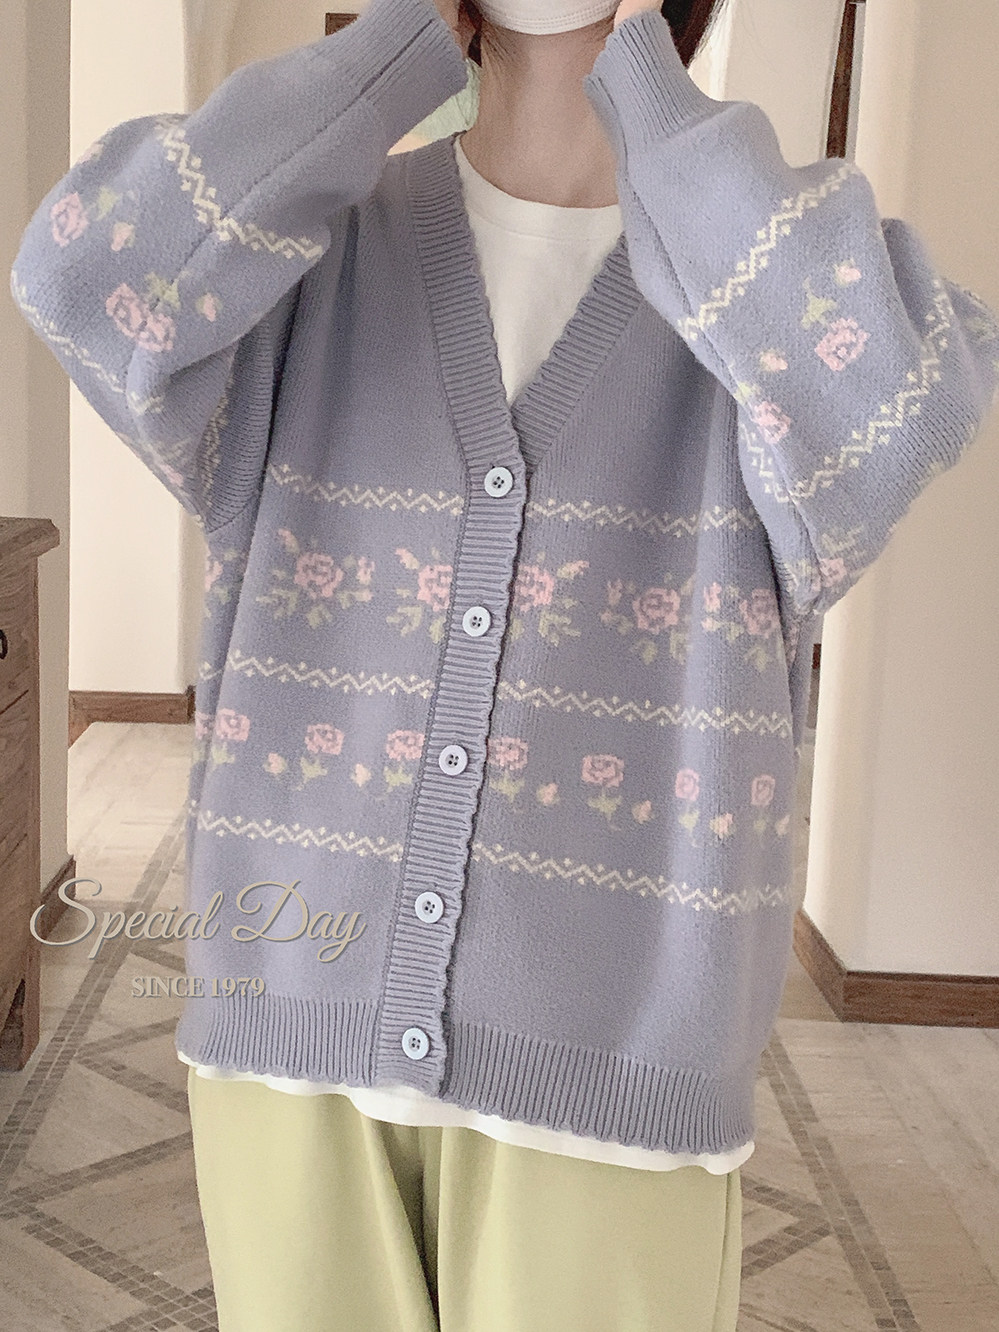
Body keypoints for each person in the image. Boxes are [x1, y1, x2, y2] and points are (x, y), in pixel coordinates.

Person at [10, 0, 997, 1328]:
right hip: (291, 1024)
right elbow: (79, 271)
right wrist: (395, 43)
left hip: (615, 1060)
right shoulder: (309, 259)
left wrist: (652, 100)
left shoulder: (763, 294)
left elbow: (894, 406)